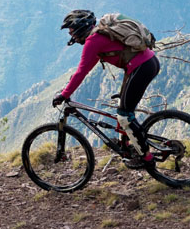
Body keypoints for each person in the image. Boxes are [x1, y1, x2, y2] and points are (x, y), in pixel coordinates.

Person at [52, 9, 160, 167]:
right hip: (147, 63)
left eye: (72, 30)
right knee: (123, 110)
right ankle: (128, 148)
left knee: (124, 115)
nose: (71, 35)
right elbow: (84, 68)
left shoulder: (92, 41)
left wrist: (64, 94)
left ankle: (146, 158)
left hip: (141, 67)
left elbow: (82, 71)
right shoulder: (99, 35)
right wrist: (67, 89)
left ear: (81, 27)